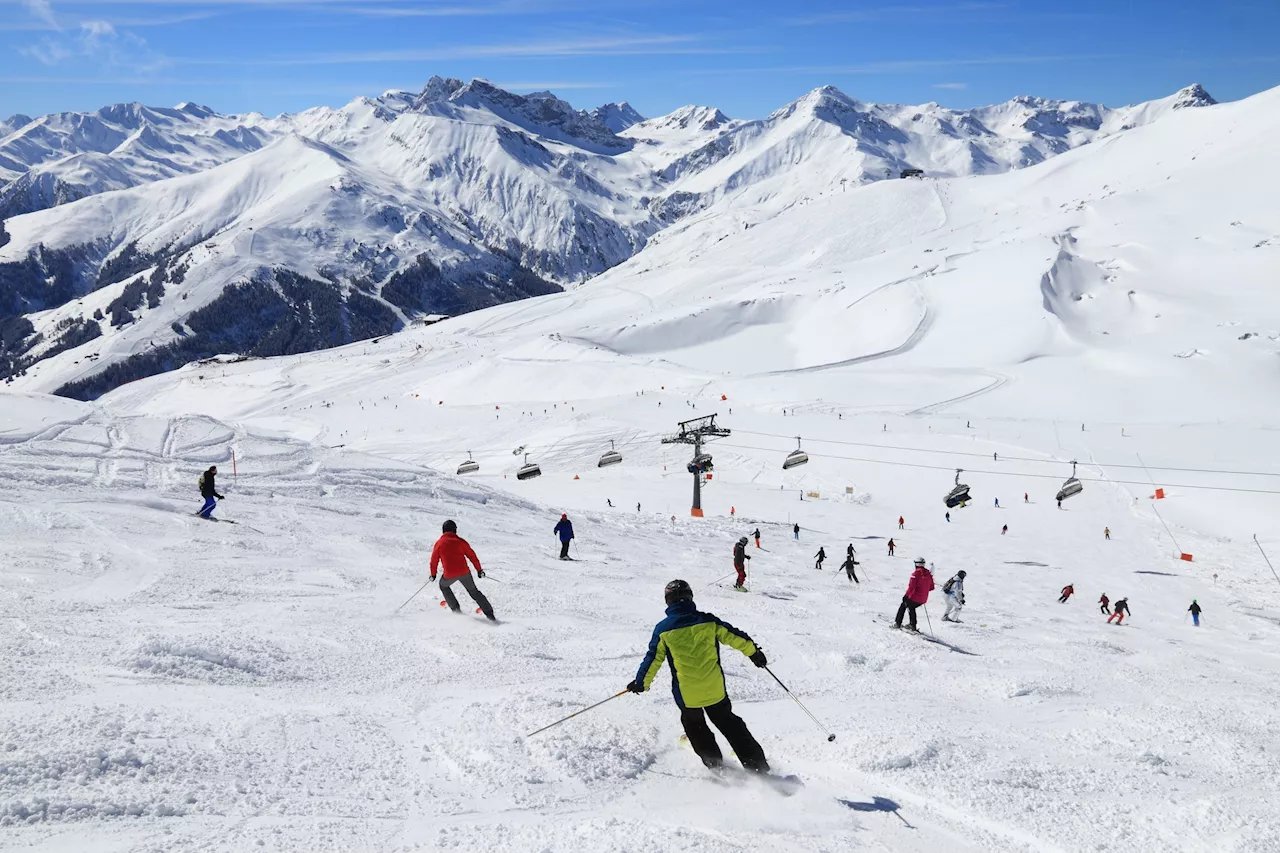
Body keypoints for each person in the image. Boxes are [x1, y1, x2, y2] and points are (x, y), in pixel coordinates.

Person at [628, 580, 770, 773]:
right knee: (729, 723)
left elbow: (653, 659)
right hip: (715, 688)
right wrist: (754, 653)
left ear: (668, 601)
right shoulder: (708, 621)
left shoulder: (663, 629)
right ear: (690, 597)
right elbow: (735, 637)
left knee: (695, 726)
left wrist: (641, 683)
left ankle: (715, 764)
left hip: (687, 695)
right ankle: (757, 765)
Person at [430, 520, 495, 621]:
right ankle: (489, 614)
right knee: (474, 591)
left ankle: (455, 609)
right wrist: (479, 570)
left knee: (443, 586)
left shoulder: (439, 543)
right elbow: (472, 556)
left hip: (449, 575)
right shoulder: (460, 541)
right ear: (455, 530)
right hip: (464, 573)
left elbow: (434, 561)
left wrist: (433, 574)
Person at [893, 558, 934, 632]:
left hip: (915, 597)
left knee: (904, 605)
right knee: (911, 607)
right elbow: (931, 587)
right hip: (923, 599)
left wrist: (906, 596)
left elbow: (911, 587)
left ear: (916, 564)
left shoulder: (915, 574)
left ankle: (898, 623)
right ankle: (912, 625)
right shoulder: (928, 574)